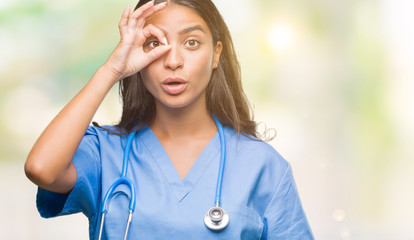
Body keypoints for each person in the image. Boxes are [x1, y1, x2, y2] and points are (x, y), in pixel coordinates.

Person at [24, 0, 314, 239]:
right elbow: (41, 169)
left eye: (191, 42)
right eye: (154, 43)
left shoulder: (262, 167)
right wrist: (111, 70)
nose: (173, 61)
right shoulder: (104, 154)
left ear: (216, 54)